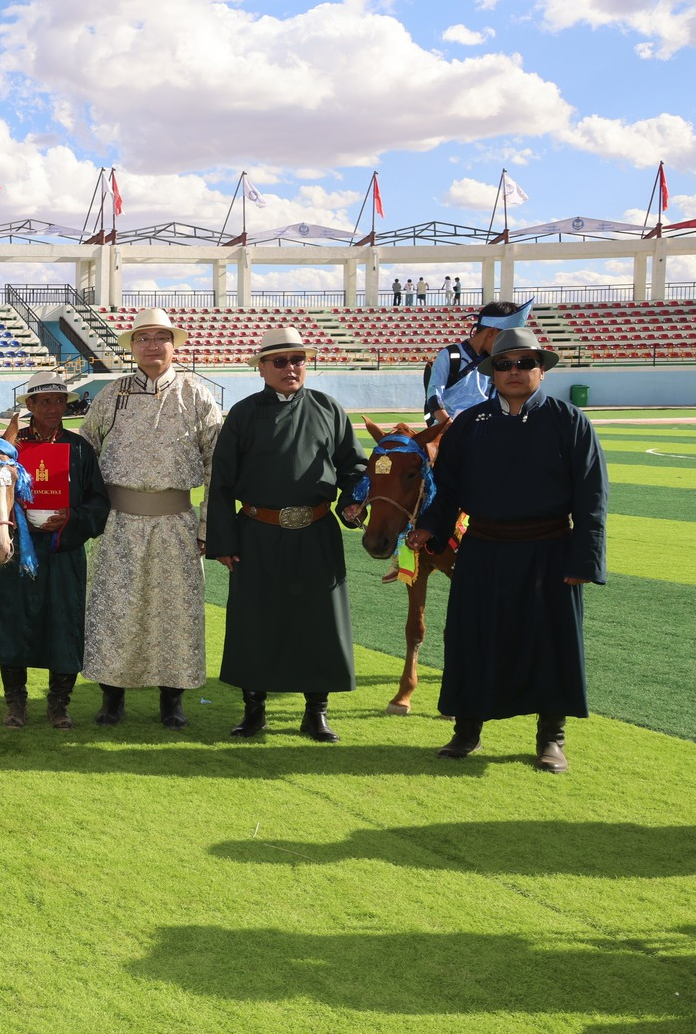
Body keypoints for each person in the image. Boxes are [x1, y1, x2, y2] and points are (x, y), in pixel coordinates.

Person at [409, 329, 607, 773]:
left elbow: (592, 496)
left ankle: (551, 738)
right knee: (472, 639)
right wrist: (427, 529)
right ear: (492, 372)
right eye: (504, 364)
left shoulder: (568, 420)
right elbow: (449, 490)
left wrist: (585, 558)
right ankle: (467, 731)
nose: (514, 371)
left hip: (549, 551)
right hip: (483, 549)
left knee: (551, 643)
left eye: (524, 363)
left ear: (541, 369)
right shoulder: (470, 424)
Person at [204, 328, 367, 742]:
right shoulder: (243, 414)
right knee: (255, 622)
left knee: (319, 622)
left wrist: (352, 502)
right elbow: (221, 483)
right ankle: (254, 710)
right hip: (257, 534)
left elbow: (354, 468)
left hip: (316, 532)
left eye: (297, 359)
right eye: (280, 361)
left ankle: (316, 713)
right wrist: (224, 542)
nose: (290, 368)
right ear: (261, 368)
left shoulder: (329, 409)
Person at [78, 307, 223, 730]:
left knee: (175, 614)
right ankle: (112, 697)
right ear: (133, 347)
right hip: (119, 524)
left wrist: (207, 526)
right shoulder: (113, 394)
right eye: (143, 338)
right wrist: (89, 515)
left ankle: (172, 701)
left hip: (176, 523)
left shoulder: (196, 394)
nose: (152, 345)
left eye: (161, 337)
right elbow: (84, 453)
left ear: (174, 345)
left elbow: (217, 464)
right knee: (115, 610)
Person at [0, 375, 108, 729]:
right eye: (45, 402)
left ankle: (59, 704)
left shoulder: (80, 448)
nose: (54, 408)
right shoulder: (9, 448)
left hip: (63, 549)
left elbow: (99, 502)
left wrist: (71, 518)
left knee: (65, 623)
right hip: (16, 548)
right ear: (30, 406)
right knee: (13, 621)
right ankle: (15, 703)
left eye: (59, 401)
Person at [426, 299, 533, 424]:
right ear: (491, 332)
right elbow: (434, 394)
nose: (508, 345)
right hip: (449, 428)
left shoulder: (499, 362)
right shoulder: (450, 355)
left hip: (486, 428)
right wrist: (449, 424)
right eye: (506, 339)